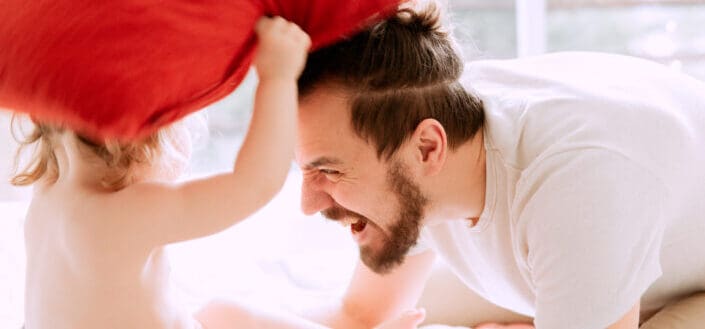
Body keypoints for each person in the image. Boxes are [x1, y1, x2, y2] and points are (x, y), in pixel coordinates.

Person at [294, 3, 705, 329]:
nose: (307, 205)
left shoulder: (576, 190)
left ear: (426, 149)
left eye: (328, 171)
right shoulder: (419, 115)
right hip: (617, 242)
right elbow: (360, 316)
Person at [11, 16, 326, 329]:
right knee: (233, 314)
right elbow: (254, 185)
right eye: (182, 121)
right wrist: (279, 77)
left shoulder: (48, 194)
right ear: (135, 138)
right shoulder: (122, 216)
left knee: (220, 312)